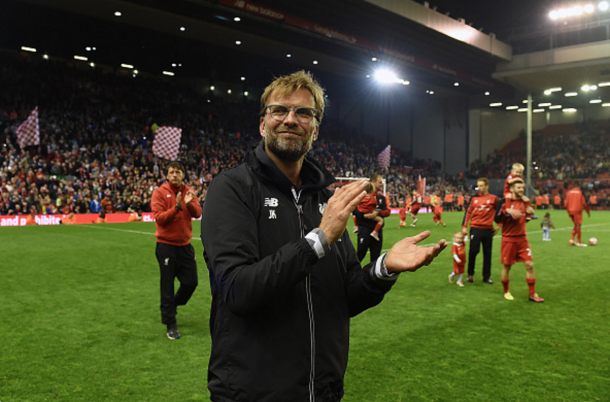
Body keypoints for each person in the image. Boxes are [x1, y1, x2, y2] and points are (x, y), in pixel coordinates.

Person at [200, 70, 447, 402]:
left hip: (324, 390)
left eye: (304, 113)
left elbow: (344, 297)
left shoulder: (326, 200)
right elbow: (237, 290)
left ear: (315, 130)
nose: (291, 119)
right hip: (253, 392)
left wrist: (384, 267)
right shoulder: (232, 188)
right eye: (279, 110)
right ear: (263, 124)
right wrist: (318, 239)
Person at [151, 162, 202, 340]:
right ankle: (170, 324)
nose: (174, 174)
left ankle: (171, 305)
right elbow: (159, 218)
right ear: (167, 175)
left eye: (178, 172)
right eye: (171, 172)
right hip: (166, 246)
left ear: (183, 175)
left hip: (185, 246)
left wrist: (188, 204)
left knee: (191, 283)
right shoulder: (159, 192)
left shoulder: (189, 191)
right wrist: (177, 208)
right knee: (167, 285)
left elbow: (197, 213)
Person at [495, 177, 544, 302]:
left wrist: (530, 213)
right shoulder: (504, 202)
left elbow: (526, 217)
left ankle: (532, 294)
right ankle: (506, 291)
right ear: (512, 189)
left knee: (529, 265)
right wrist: (507, 210)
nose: (521, 189)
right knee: (507, 267)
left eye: (522, 187)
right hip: (508, 239)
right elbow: (497, 218)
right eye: (519, 187)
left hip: (522, 239)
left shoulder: (525, 202)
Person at [461, 177, 499, 284]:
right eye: (479, 186)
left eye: (482, 186)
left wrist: (499, 225)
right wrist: (464, 226)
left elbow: (499, 212)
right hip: (475, 228)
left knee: (487, 254)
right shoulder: (474, 198)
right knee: (473, 251)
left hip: (488, 230)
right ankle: (470, 275)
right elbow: (468, 212)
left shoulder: (493, 199)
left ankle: (486, 277)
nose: (479, 188)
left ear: (487, 186)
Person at [354, 173, 390, 262]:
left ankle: (371, 276)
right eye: (380, 182)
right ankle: (351, 275)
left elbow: (387, 212)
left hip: (377, 232)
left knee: (375, 259)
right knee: (359, 255)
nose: (382, 184)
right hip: (365, 229)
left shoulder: (381, 198)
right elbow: (354, 210)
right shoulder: (362, 196)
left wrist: (377, 213)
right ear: (373, 182)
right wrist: (364, 215)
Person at [564, 182, 590, 246]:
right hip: (577, 211)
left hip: (570, 211)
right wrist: (588, 212)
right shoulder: (579, 192)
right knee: (578, 225)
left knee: (575, 224)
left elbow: (565, 203)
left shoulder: (569, 192)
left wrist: (568, 210)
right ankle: (579, 242)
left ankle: (572, 239)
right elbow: (584, 203)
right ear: (579, 187)